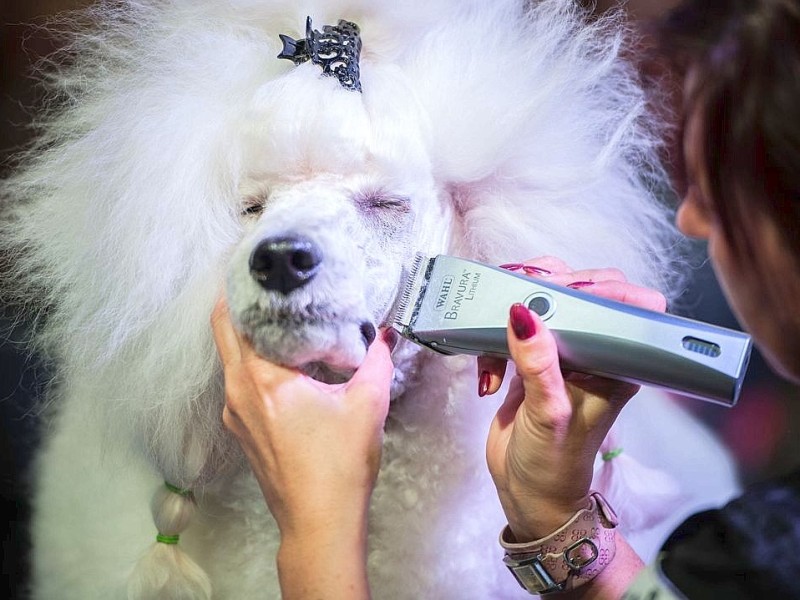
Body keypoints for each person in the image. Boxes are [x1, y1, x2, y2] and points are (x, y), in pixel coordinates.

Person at [211, 0, 800, 597]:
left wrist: (317, 530)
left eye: (718, 189)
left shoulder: (764, 551)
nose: (691, 218)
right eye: (253, 208)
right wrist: (552, 516)